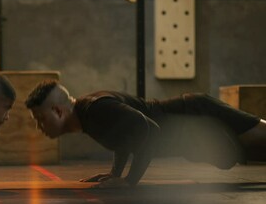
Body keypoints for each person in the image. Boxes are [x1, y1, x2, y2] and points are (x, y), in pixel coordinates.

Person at [25, 80, 266, 188]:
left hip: (197, 113)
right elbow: (124, 136)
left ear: (58, 110)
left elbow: (149, 129)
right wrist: (114, 173)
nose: (39, 127)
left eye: (40, 119)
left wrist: (129, 182)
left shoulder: (96, 109)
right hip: (194, 134)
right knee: (249, 152)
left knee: (260, 135)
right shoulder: (88, 117)